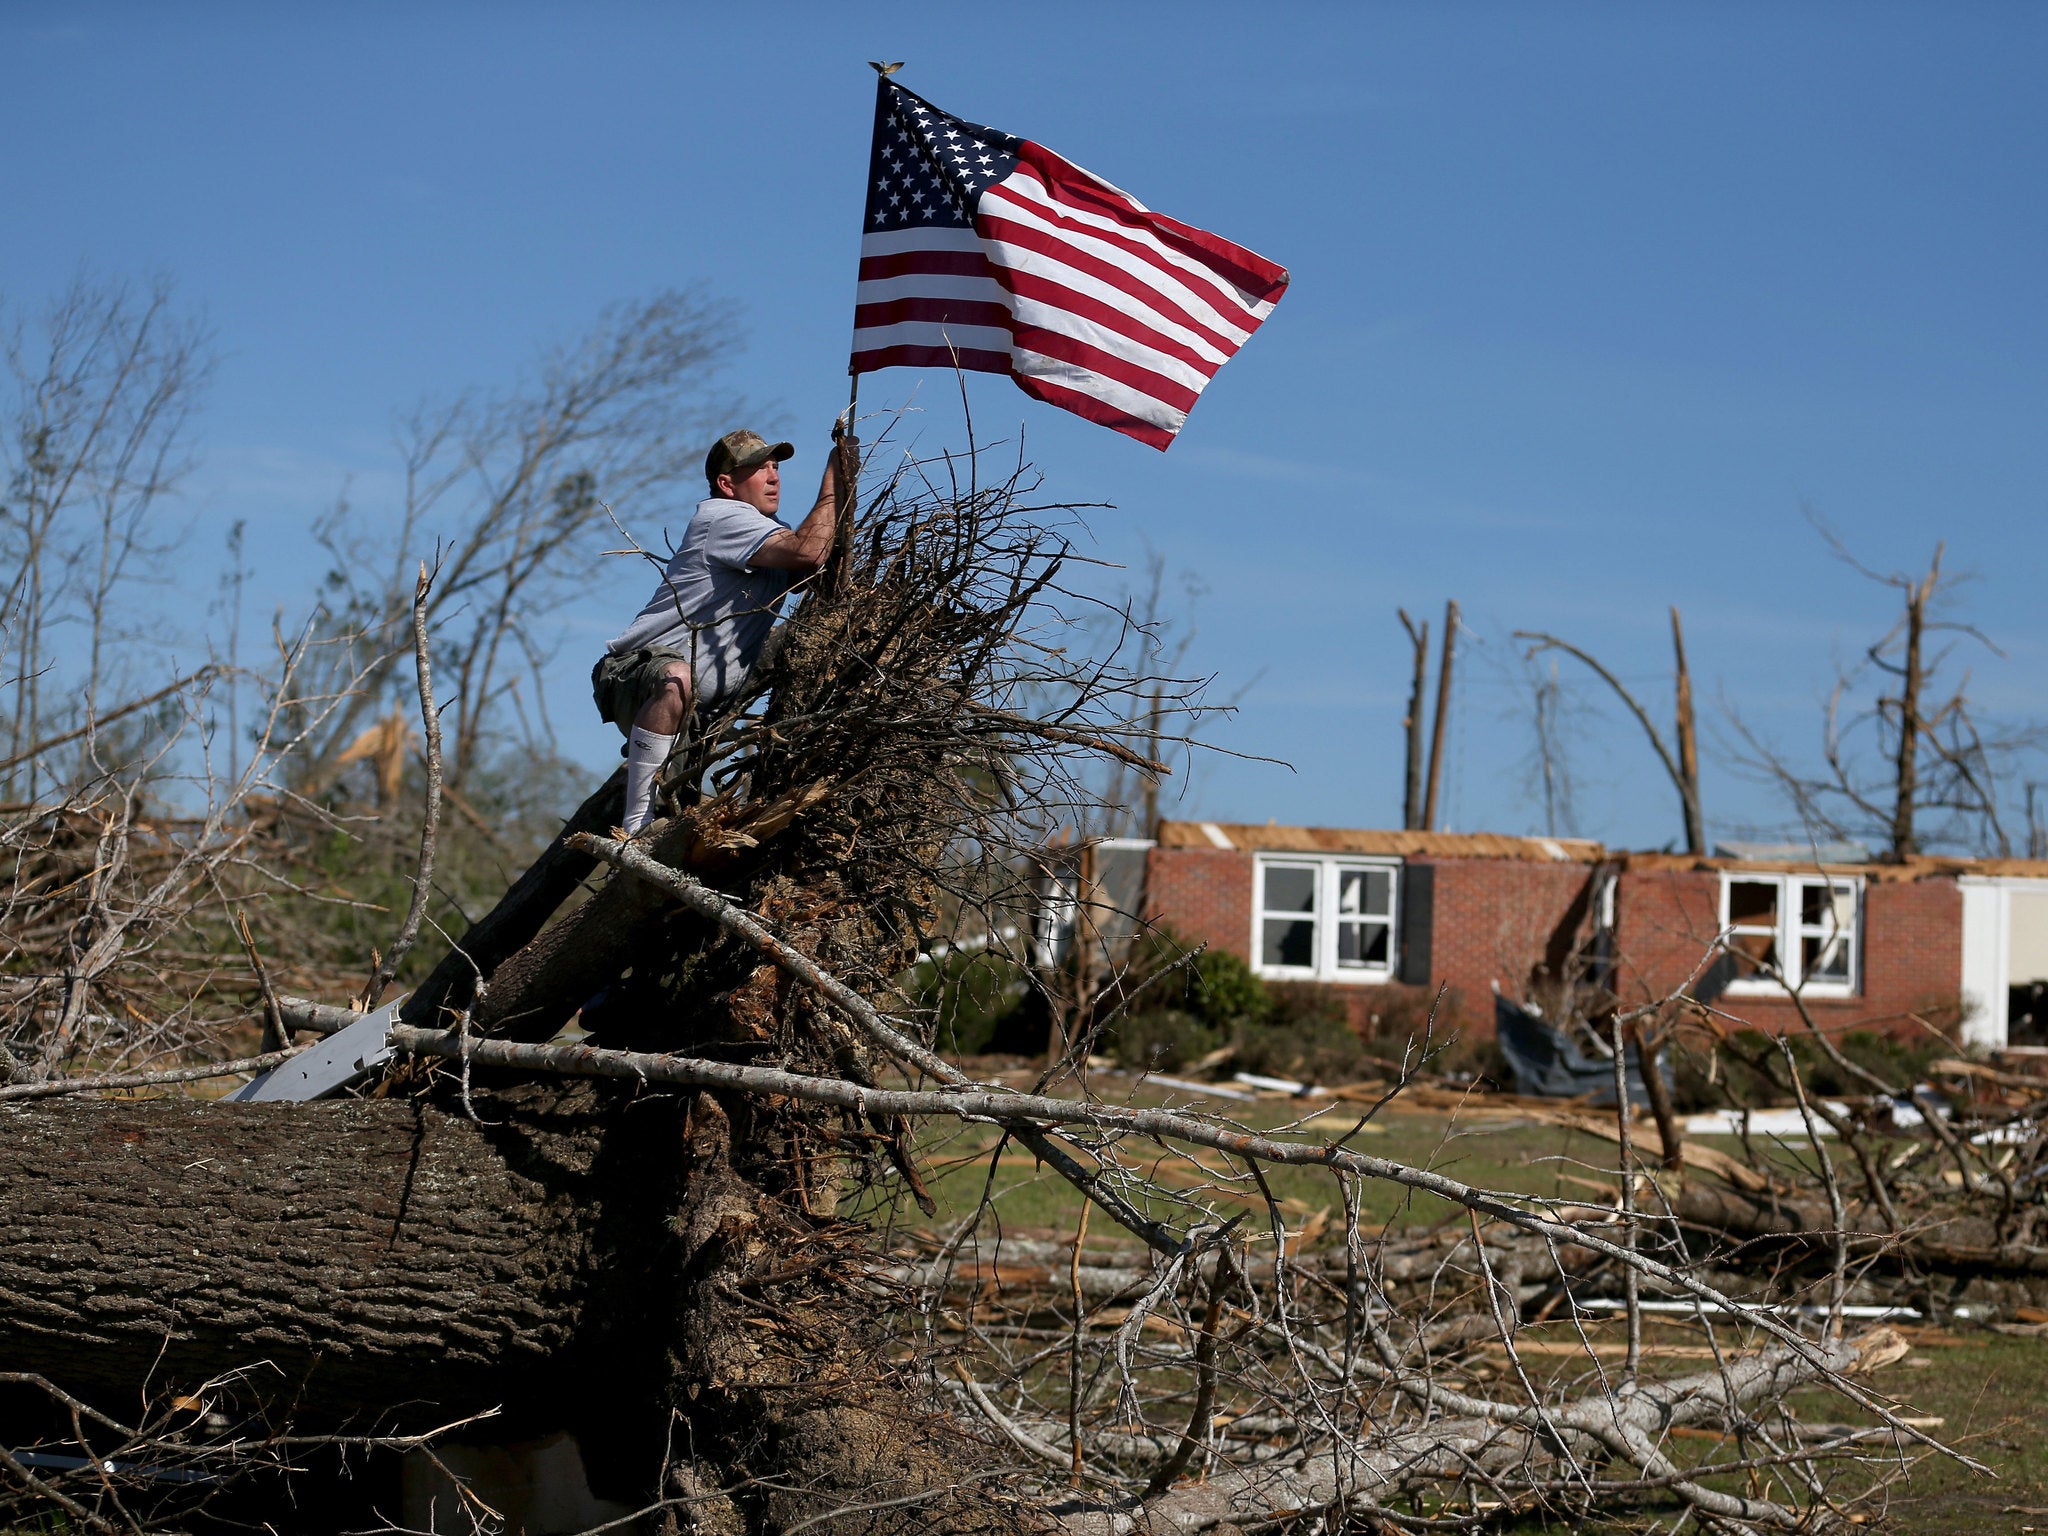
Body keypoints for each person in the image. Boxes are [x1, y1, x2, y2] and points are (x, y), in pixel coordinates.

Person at [593, 424, 851, 832]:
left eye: (775, 467)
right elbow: (810, 550)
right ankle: (635, 822)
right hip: (636, 673)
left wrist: (846, 506)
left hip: (699, 714)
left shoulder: (767, 536)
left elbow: (823, 576)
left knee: (683, 827)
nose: (773, 477)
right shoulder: (724, 518)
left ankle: (646, 827)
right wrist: (835, 482)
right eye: (759, 468)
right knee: (677, 678)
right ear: (726, 484)